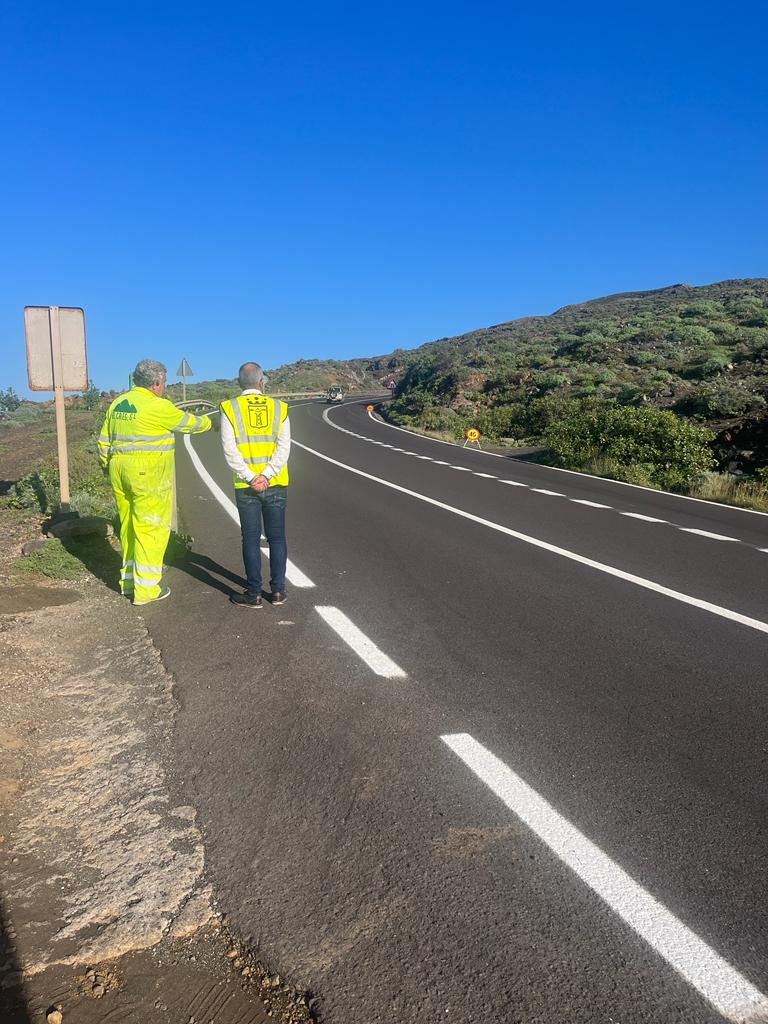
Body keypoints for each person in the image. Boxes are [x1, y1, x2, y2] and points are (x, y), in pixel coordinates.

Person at [98, 359, 211, 605]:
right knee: (151, 529)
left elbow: (104, 440)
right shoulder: (158, 406)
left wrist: (109, 466)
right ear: (156, 382)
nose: (165, 387)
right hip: (147, 474)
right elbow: (190, 424)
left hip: (119, 471)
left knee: (128, 527)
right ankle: (147, 591)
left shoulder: (118, 403)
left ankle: (128, 582)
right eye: (164, 382)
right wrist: (210, 422)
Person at [220, 362, 290, 609]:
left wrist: (251, 477)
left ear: (239, 383)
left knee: (250, 538)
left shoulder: (229, 408)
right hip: (276, 483)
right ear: (262, 382)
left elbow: (230, 451)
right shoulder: (279, 408)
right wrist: (268, 475)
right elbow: (284, 448)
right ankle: (278, 591)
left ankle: (254, 594)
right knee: (277, 538)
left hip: (245, 485)